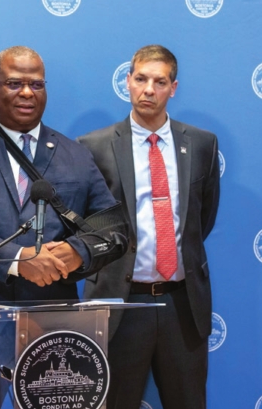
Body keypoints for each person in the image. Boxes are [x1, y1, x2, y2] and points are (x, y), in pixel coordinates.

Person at [0, 46, 126, 409]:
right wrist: (17, 260)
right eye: (15, 83)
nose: (27, 93)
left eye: (37, 84)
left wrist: (77, 252)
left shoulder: (75, 155)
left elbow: (113, 227)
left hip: (56, 337)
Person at [78, 45, 220, 409]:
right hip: (119, 304)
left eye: (160, 82)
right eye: (141, 79)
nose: (148, 90)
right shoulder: (94, 146)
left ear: (173, 88)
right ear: (127, 81)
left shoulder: (202, 144)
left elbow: (201, 220)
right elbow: (85, 226)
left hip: (182, 304)